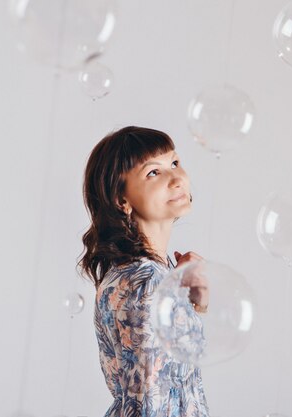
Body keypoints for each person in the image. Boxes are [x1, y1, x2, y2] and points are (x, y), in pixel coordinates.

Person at [78, 126, 210, 417]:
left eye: (175, 163)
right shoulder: (144, 283)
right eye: (154, 172)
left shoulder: (150, 274)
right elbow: (150, 401)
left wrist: (195, 302)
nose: (177, 179)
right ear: (121, 200)